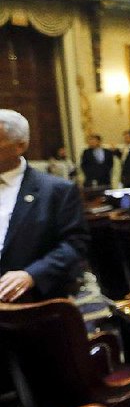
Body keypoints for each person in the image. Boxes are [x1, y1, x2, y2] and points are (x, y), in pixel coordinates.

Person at [0, 110, 89, 303]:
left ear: (20, 146)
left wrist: (32, 275)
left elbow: (74, 245)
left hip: (33, 302)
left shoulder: (57, 191)